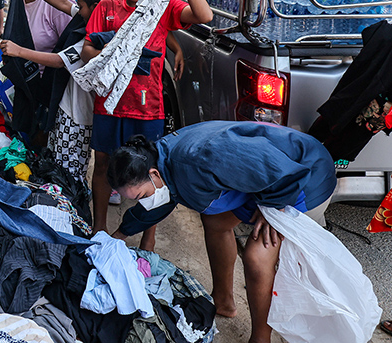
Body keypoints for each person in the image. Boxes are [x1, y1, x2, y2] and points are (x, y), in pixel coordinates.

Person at [106, 121, 337, 343]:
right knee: (215, 222)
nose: (144, 202)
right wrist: (119, 235)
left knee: (257, 257)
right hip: (269, 183)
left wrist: (273, 208)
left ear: (154, 174)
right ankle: (223, 300)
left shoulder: (198, 158)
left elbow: (282, 170)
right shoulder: (160, 160)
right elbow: (162, 201)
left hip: (302, 179)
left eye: (141, 197)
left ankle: (260, 339)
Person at [82, 0, 213, 241]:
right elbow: (87, 49)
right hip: (109, 104)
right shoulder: (106, 8)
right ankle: (98, 226)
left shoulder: (163, 7)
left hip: (147, 107)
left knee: (151, 170)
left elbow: (204, 15)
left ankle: (148, 236)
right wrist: (110, 55)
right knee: (102, 163)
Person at [1, 0, 114, 185]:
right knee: (57, 160)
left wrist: (19, 51)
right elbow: (63, 3)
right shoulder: (86, 16)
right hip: (67, 107)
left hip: (78, 116)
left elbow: (58, 61)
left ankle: (73, 206)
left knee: (69, 171)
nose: (77, 10)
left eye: (80, 6)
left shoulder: (94, 36)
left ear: (96, 6)